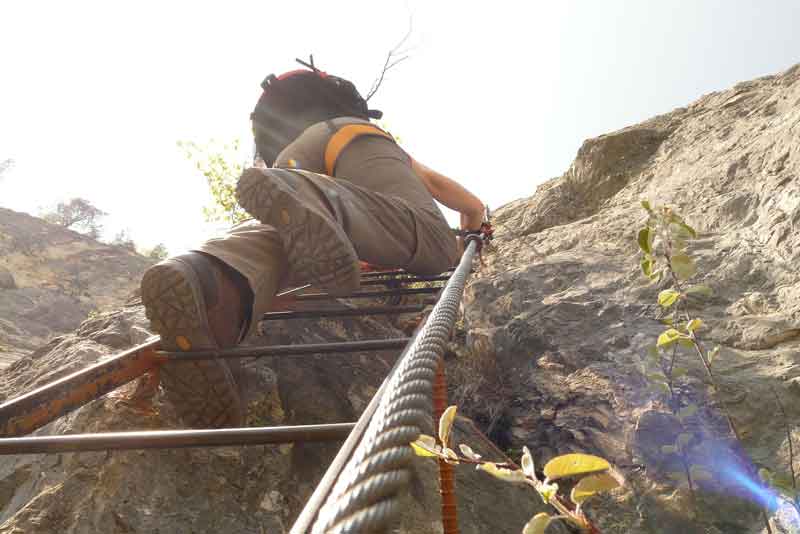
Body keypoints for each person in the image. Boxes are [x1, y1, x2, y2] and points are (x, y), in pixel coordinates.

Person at [141, 62, 486, 428]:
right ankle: (308, 194)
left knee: (280, 234)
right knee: (435, 244)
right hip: (352, 138)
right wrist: (473, 223)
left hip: (292, 154)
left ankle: (210, 279)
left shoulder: (297, 134)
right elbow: (455, 196)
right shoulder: (362, 128)